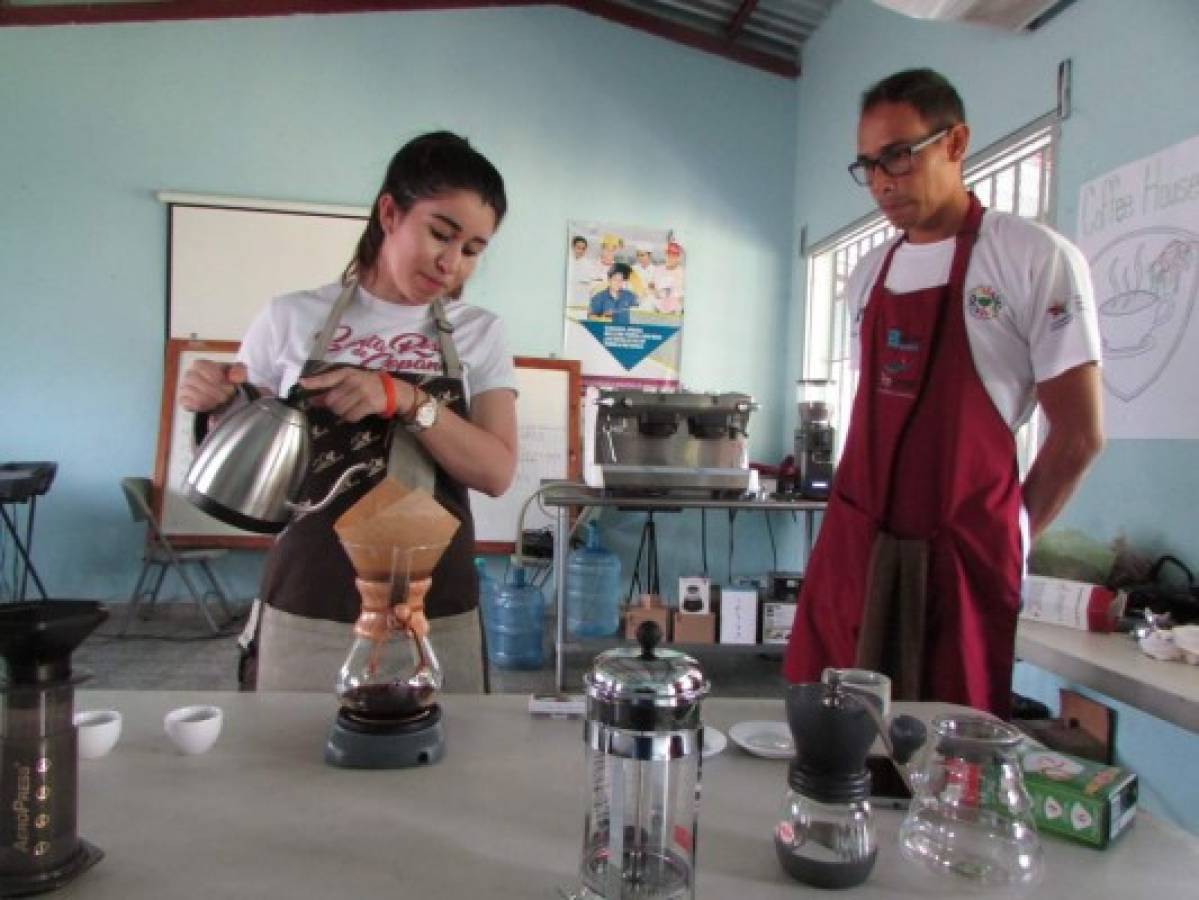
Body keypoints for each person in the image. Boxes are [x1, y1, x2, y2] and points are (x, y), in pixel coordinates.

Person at [783, 69, 1104, 718]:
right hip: (856, 543)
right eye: (867, 165)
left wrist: (1002, 537)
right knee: (828, 730)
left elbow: (1078, 434)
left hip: (958, 554)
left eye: (898, 155)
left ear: (954, 142)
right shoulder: (868, 276)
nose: (881, 181)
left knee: (941, 752)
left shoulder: (1029, 257)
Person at [179, 131, 518, 693]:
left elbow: (496, 471)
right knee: (290, 764)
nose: (451, 263)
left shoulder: (479, 333)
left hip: (432, 605)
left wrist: (407, 400)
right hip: (310, 591)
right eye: (441, 234)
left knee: (437, 771)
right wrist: (220, 400)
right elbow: (247, 453)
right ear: (390, 211)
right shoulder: (290, 318)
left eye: (473, 250)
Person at [652, 241, 685, 314]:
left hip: (675, 312)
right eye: (668, 255)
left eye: (673, 256)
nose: (670, 258)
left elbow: (682, 297)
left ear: (678, 258)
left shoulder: (683, 273)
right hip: (657, 310)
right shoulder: (658, 270)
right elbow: (654, 290)